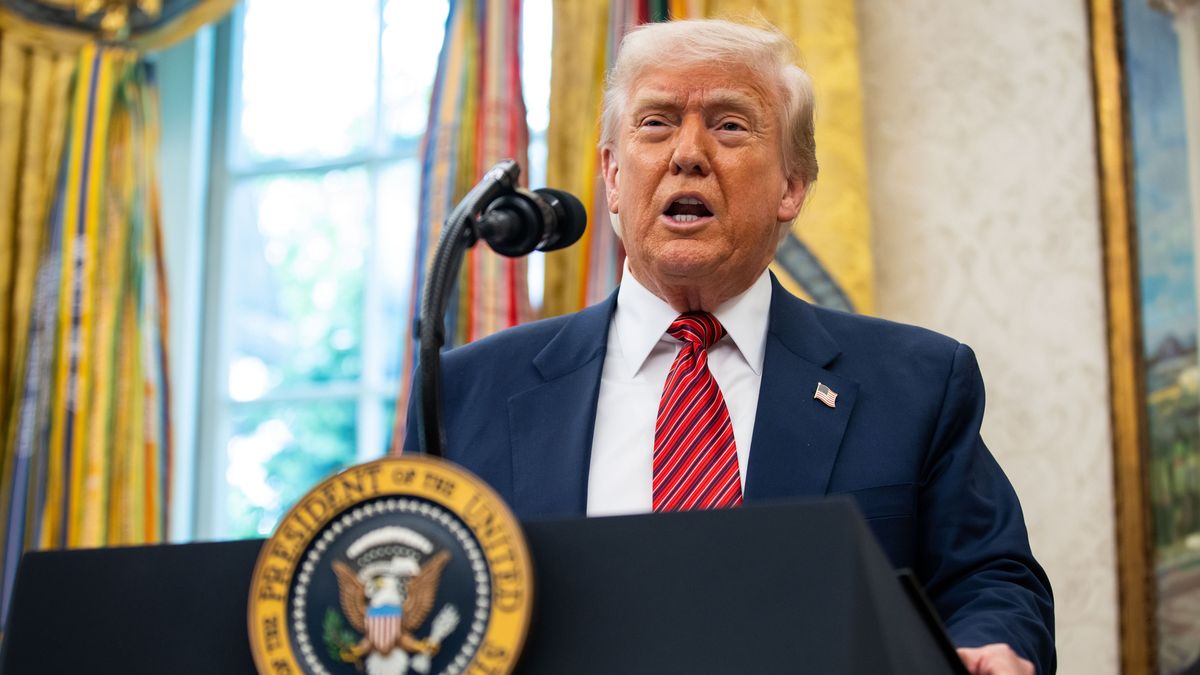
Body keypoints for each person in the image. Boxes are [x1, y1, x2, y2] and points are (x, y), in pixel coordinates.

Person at [405, 18, 1054, 675]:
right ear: (611, 174)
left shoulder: (917, 384)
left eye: (730, 125)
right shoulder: (466, 392)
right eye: (655, 123)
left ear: (791, 186)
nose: (688, 153)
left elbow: (989, 579)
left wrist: (994, 642)